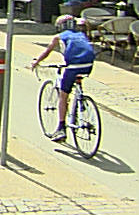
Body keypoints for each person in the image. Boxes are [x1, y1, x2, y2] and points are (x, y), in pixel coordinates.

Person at [31, 14, 98, 142]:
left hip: (73, 67)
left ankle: (61, 128)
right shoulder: (81, 35)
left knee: (63, 95)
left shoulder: (59, 37)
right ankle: (80, 100)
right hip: (88, 65)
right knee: (77, 78)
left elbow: (47, 51)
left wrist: (36, 62)